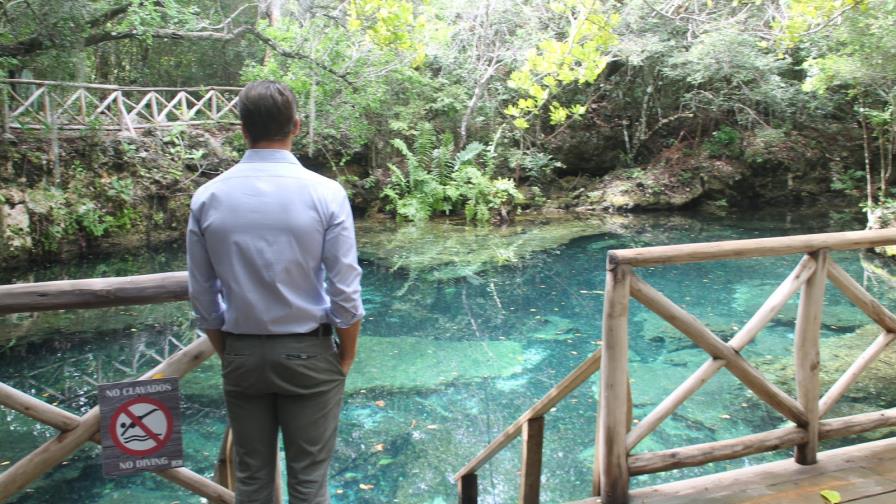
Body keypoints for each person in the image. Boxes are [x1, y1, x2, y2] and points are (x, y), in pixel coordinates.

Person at [186, 80, 364, 504]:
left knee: (251, 481)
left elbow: (202, 294)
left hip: (243, 354)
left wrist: (229, 350)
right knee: (308, 484)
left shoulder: (208, 197)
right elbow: (344, 291)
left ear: (242, 129)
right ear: (296, 126)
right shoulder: (325, 193)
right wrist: (347, 354)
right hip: (309, 353)